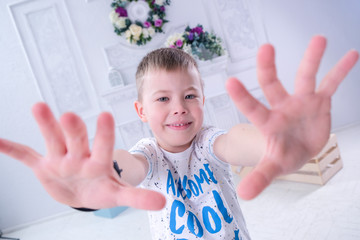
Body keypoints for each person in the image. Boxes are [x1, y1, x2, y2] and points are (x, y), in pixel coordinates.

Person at [0, 36, 358, 239]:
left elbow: (236, 140)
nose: (179, 108)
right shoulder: (149, 154)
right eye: (162, 99)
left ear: (202, 100)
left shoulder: (208, 141)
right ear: (141, 111)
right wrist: (102, 174)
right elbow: (128, 166)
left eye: (189, 95)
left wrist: (273, 144)